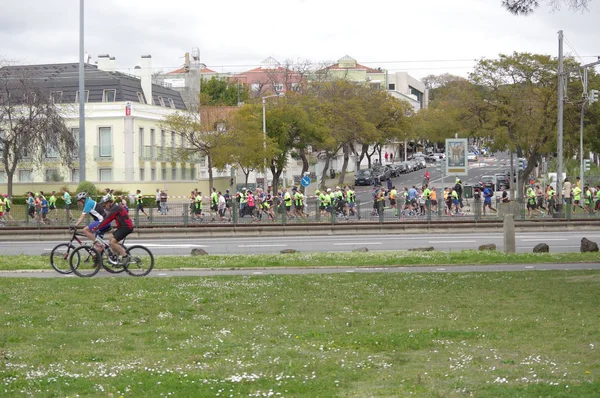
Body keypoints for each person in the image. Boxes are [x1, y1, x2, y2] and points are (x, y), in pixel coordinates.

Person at [92, 196, 134, 265]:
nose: (104, 206)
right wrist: (99, 227)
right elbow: (109, 218)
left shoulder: (115, 208)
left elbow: (107, 219)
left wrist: (97, 227)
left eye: (104, 205)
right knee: (110, 237)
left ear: (109, 203)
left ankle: (125, 256)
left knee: (113, 242)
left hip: (126, 227)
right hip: (122, 227)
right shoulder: (114, 207)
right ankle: (116, 257)